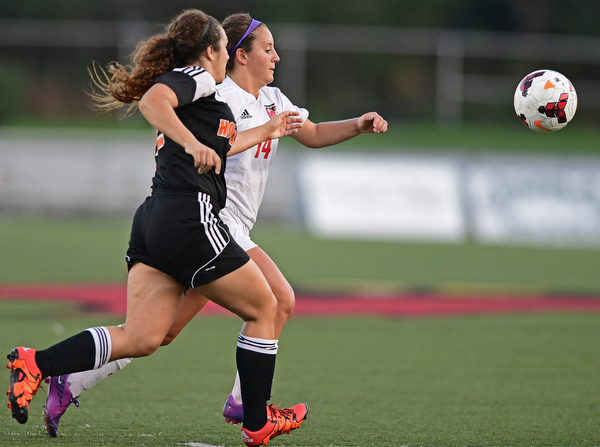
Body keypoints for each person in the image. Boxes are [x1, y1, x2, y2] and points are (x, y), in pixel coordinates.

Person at [40, 11, 389, 438]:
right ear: (239, 55)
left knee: (159, 333)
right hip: (211, 221)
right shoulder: (214, 94)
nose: (276, 56)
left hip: (224, 225)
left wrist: (358, 124)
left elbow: (312, 133)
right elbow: (176, 127)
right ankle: (246, 404)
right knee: (278, 300)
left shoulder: (274, 100)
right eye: (267, 49)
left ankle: (68, 380)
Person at [6, 9, 309, 447]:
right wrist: (192, 143)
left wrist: (267, 129)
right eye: (224, 47)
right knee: (267, 306)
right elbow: (152, 102)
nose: (226, 56)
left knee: (143, 336)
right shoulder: (202, 78)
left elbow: (222, 144)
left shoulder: (208, 98)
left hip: (155, 220)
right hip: (190, 219)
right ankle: (257, 421)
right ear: (211, 52)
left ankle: (36, 363)